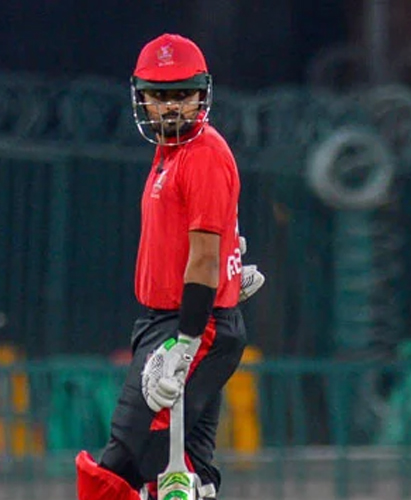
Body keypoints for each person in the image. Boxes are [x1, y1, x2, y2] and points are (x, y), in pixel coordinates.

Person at [75, 33, 262, 500]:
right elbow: (209, 238)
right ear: (142, 98)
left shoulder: (203, 154)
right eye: (160, 96)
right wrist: (230, 276)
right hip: (176, 321)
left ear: (202, 94)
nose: (172, 106)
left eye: (183, 94)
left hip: (189, 327)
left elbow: (203, 257)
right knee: (184, 476)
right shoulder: (172, 152)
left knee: (120, 463)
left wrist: (186, 341)